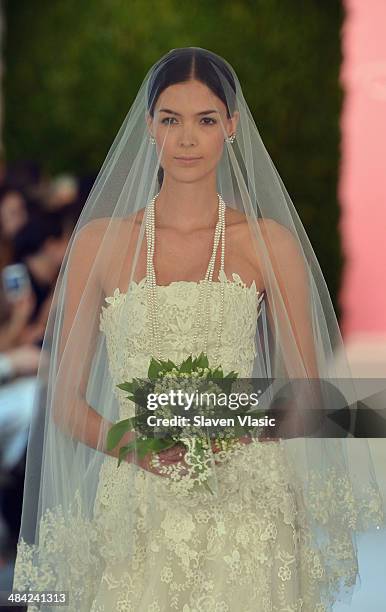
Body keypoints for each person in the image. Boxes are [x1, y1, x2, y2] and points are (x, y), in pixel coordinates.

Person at [12, 48, 384, 611]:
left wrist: (229, 429)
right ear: (149, 127)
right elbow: (64, 401)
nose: (187, 138)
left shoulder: (268, 244)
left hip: (246, 502)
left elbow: (306, 393)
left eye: (206, 120)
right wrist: (135, 447)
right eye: (171, 119)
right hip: (134, 500)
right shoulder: (99, 245)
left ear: (230, 126)